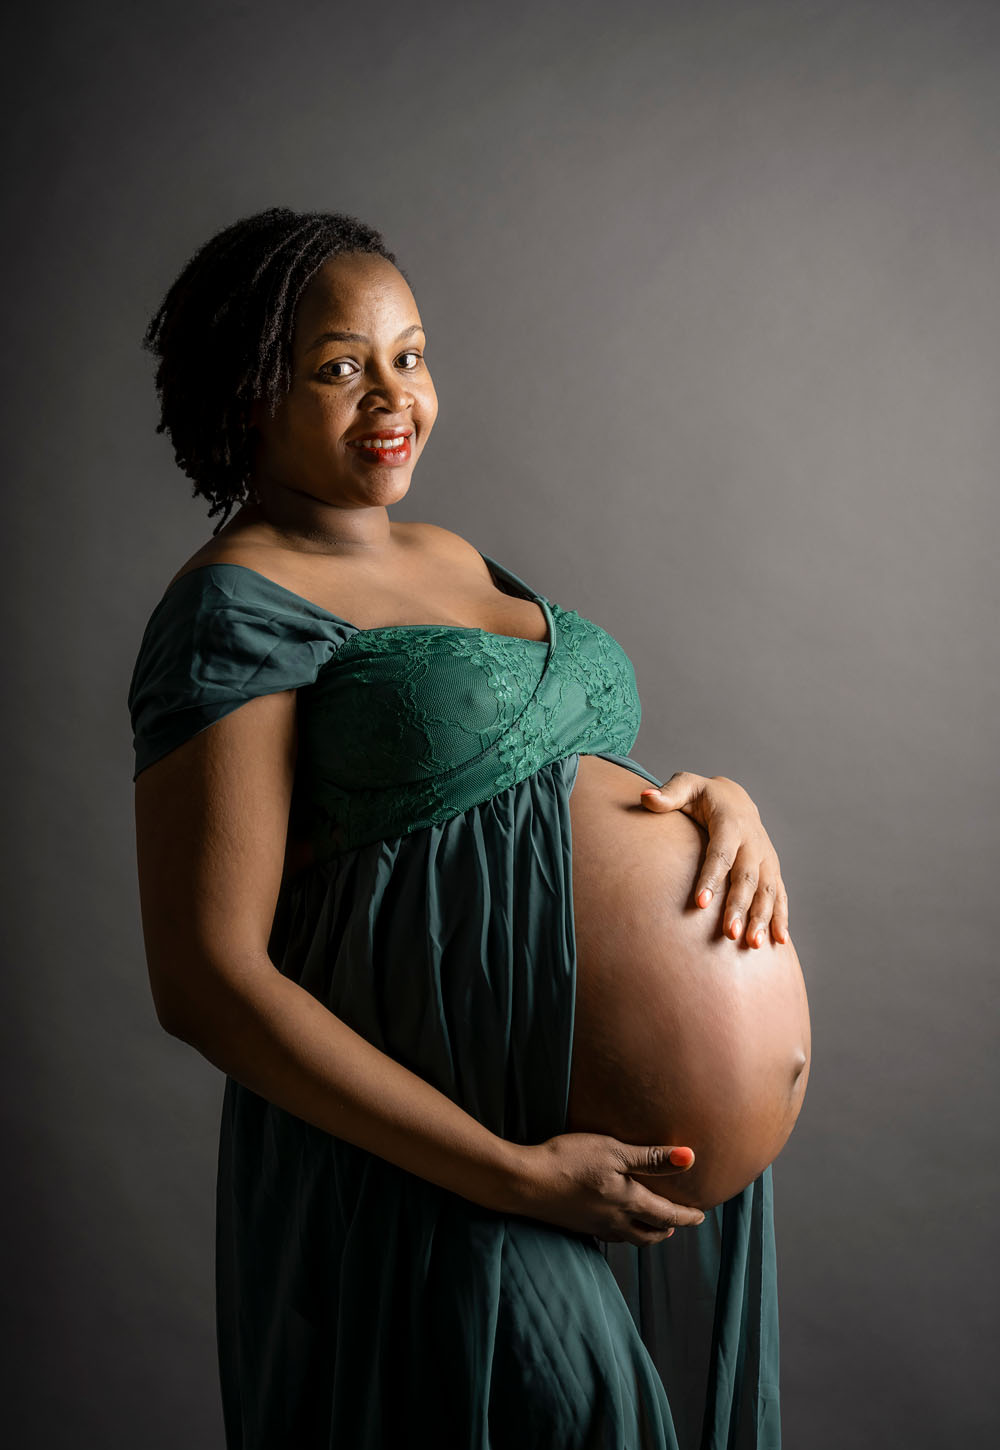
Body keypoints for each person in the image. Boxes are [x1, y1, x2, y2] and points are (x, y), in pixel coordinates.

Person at [128, 207, 790, 1449]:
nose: (393, 397)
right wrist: (510, 1171)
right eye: (338, 367)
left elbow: (542, 775)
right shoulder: (233, 607)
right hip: (448, 1158)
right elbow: (205, 979)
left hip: (585, 1144)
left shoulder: (451, 552)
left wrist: (722, 804)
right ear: (247, 392)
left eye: (411, 355)